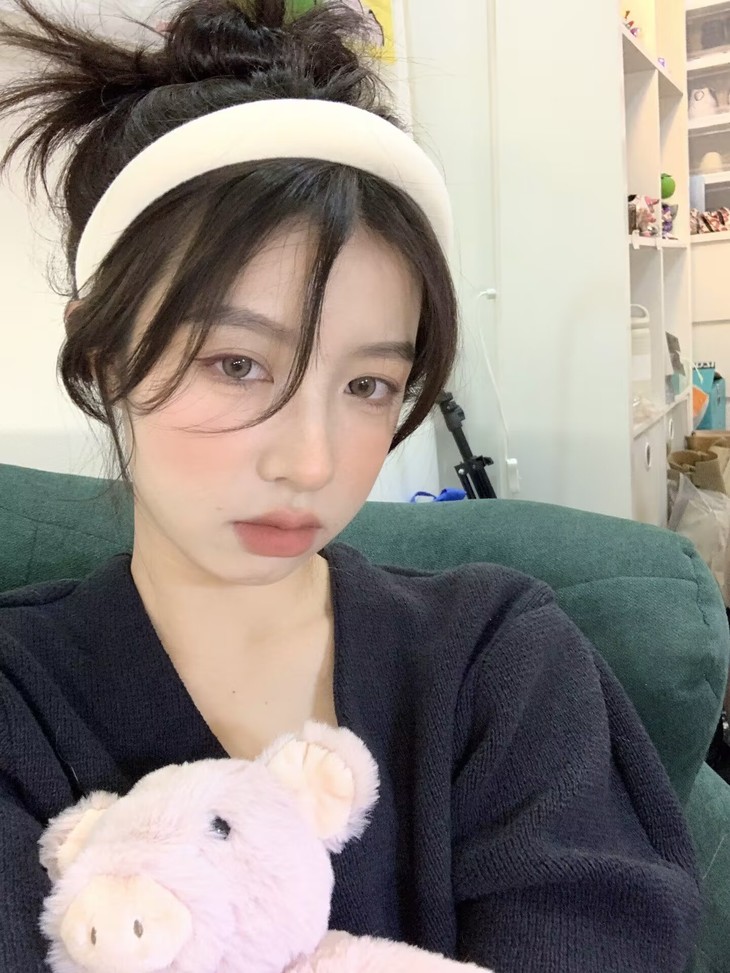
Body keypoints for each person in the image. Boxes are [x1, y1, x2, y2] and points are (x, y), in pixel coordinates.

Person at [0, 1, 701, 971]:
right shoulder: (19, 702)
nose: (313, 463)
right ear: (101, 351)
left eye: (368, 385)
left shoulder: (500, 664)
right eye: (236, 364)